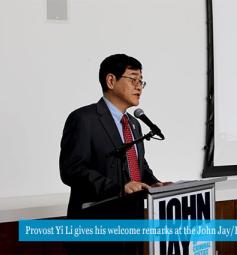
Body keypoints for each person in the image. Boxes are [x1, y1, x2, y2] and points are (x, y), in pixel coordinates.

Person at [59, 53, 163, 254]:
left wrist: (154, 184)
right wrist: (118, 188)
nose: (139, 86)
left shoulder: (133, 123)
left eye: (141, 81)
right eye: (133, 79)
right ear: (111, 80)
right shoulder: (83, 119)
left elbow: (138, 165)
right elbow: (72, 169)